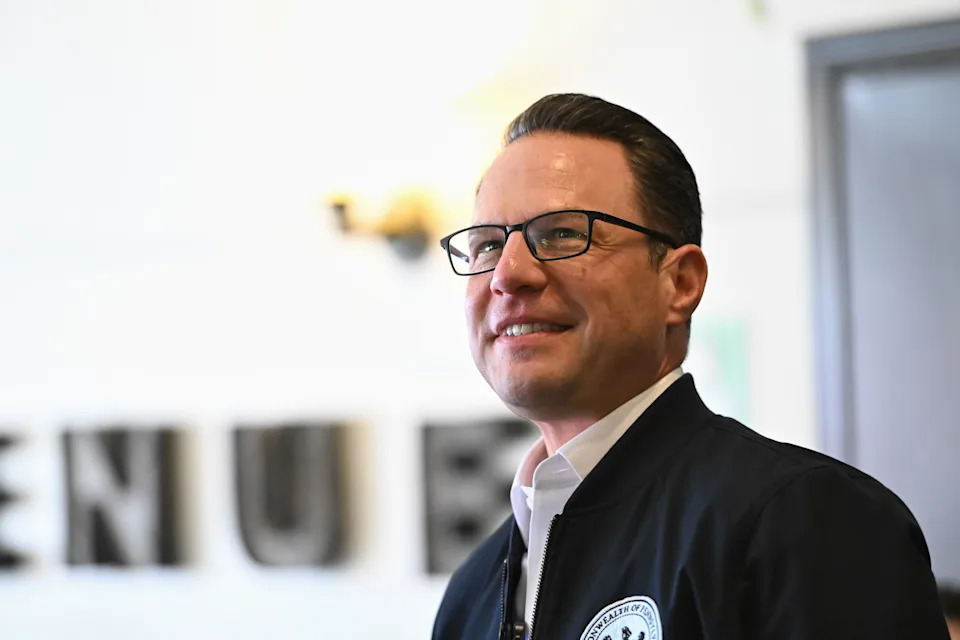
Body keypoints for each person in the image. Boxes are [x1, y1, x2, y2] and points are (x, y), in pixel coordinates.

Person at [431, 93, 950, 640]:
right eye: (486, 246)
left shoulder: (806, 522)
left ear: (679, 284)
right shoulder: (472, 593)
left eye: (563, 233)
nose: (508, 274)